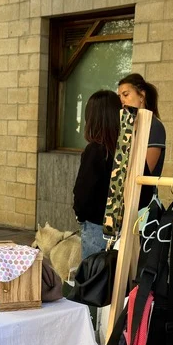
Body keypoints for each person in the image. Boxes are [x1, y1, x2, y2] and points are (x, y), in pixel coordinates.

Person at [73, 90, 122, 259]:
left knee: (95, 272)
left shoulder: (96, 150)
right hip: (125, 228)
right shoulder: (128, 149)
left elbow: (83, 192)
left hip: (96, 227)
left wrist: (80, 215)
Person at [117, 73, 166, 209]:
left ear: (141, 96)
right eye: (119, 96)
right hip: (123, 199)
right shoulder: (126, 126)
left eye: (126, 94)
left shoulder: (154, 126)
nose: (122, 100)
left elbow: (145, 169)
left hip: (143, 201)